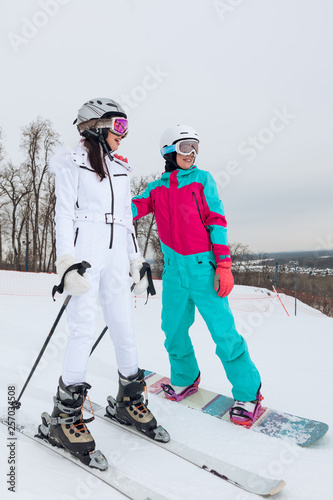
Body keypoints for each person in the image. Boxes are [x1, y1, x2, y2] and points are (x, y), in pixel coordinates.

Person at [40, 98, 168, 468]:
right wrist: (66, 261)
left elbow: (126, 222)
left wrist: (135, 261)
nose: (122, 135)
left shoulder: (120, 168)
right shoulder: (72, 163)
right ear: (95, 126)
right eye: (118, 127)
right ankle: (65, 417)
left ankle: (130, 399)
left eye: (125, 127)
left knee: (124, 327)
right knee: (82, 329)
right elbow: (63, 213)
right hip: (85, 252)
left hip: (114, 256)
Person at [131, 124, 263, 425]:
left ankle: (248, 393)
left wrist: (224, 265)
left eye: (194, 147)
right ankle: (185, 377)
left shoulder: (203, 180)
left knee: (224, 334)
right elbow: (130, 209)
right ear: (169, 151)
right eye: (185, 147)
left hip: (204, 269)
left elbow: (216, 220)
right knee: (173, 329)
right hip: (174, 271)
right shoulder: (157, 188)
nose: (191, 154)